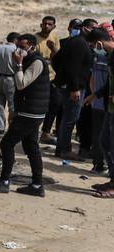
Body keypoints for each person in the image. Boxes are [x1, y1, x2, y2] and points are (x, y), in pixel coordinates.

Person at [0, 34, 51, 197]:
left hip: (31, 112)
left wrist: (19, 64)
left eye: (22, 47)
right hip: (29, 111)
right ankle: (37, 185)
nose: (18, 50)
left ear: (32, 47)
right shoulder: (28, 60)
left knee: (7, 143)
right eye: (17, 46)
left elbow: (21, 84)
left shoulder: (36, 62)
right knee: (31, 147)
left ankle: (4, 181)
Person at [51, 18, 98, 159]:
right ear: (84, 28)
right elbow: (73, 68)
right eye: (93, 28)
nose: (95, 31)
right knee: (70, 118)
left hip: (68, 85)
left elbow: (57, 60)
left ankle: (61, 148)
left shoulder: (75, 41)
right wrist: (74, 88)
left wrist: (62, 76)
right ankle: (64, 149)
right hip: (73, 88)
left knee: (68, 117)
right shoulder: (80, 44)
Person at [86, 29, 114, 198]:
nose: (94, 50)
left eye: (93, 46)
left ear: (98, 43)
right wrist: (95, 95)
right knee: (105, 142)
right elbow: (110, 84)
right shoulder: (110, 57)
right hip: (109, 108)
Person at [0, 32, 21, 139]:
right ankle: (12, 127)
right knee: (12, 105)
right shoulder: (16, 50)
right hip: (11, 79)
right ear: (16, 40)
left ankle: (0, 127)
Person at [37, 16, 62, 142]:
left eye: (50, 24)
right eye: (45, 23)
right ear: (41, 25)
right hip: (38, 77)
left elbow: (58, 56)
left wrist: (53, 49)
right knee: (38, 105)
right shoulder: (35, 39)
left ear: (54, 26)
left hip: (52, 77)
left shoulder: (54, 38)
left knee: (54, 104)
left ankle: (46, 132)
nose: (47, 26)